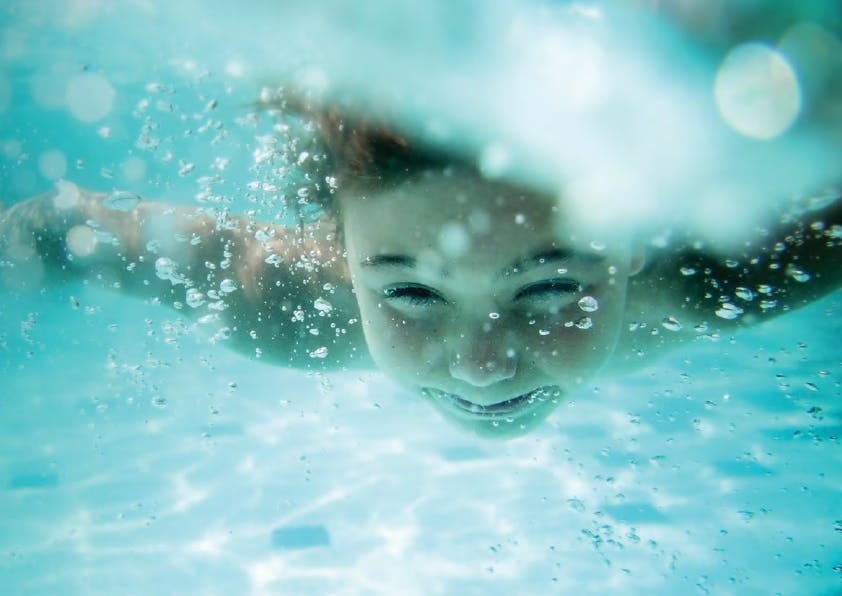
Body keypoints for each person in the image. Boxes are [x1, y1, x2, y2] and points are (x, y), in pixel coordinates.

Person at [1, 96, 840, 438]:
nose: (481, 364)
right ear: (338, 251)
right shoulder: (289, 304)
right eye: (408, 290)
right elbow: (78, 230)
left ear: (638, 238)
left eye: (548, 286)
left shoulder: (716, 278)